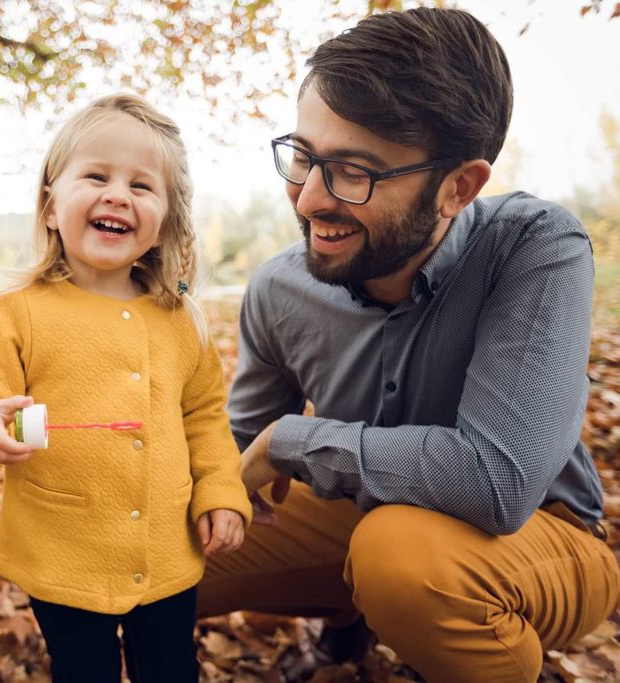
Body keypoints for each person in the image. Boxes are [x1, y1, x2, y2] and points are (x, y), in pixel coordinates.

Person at [197, 7, 620, 683]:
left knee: (400, 558)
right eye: (303, 157)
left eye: (352, 172)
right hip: (358, 523)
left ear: (458, 186)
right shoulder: (279, 286)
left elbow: (496, 481)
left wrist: (296, 441)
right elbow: (241, 449)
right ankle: (347, 619)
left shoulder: (534, 247)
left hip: (540, 536)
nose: (307, 199)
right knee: (161, 542)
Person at [0, 94, 252, 682]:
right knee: (84, 671)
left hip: (165, 551)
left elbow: (205, 416)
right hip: (64, 552)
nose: (117, 195)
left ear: (165, 222)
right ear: (51, 206)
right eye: (97, 176)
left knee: (171, 668)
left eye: (141, 185)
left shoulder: (177, 317)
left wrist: (221, 492)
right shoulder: (18, 313)